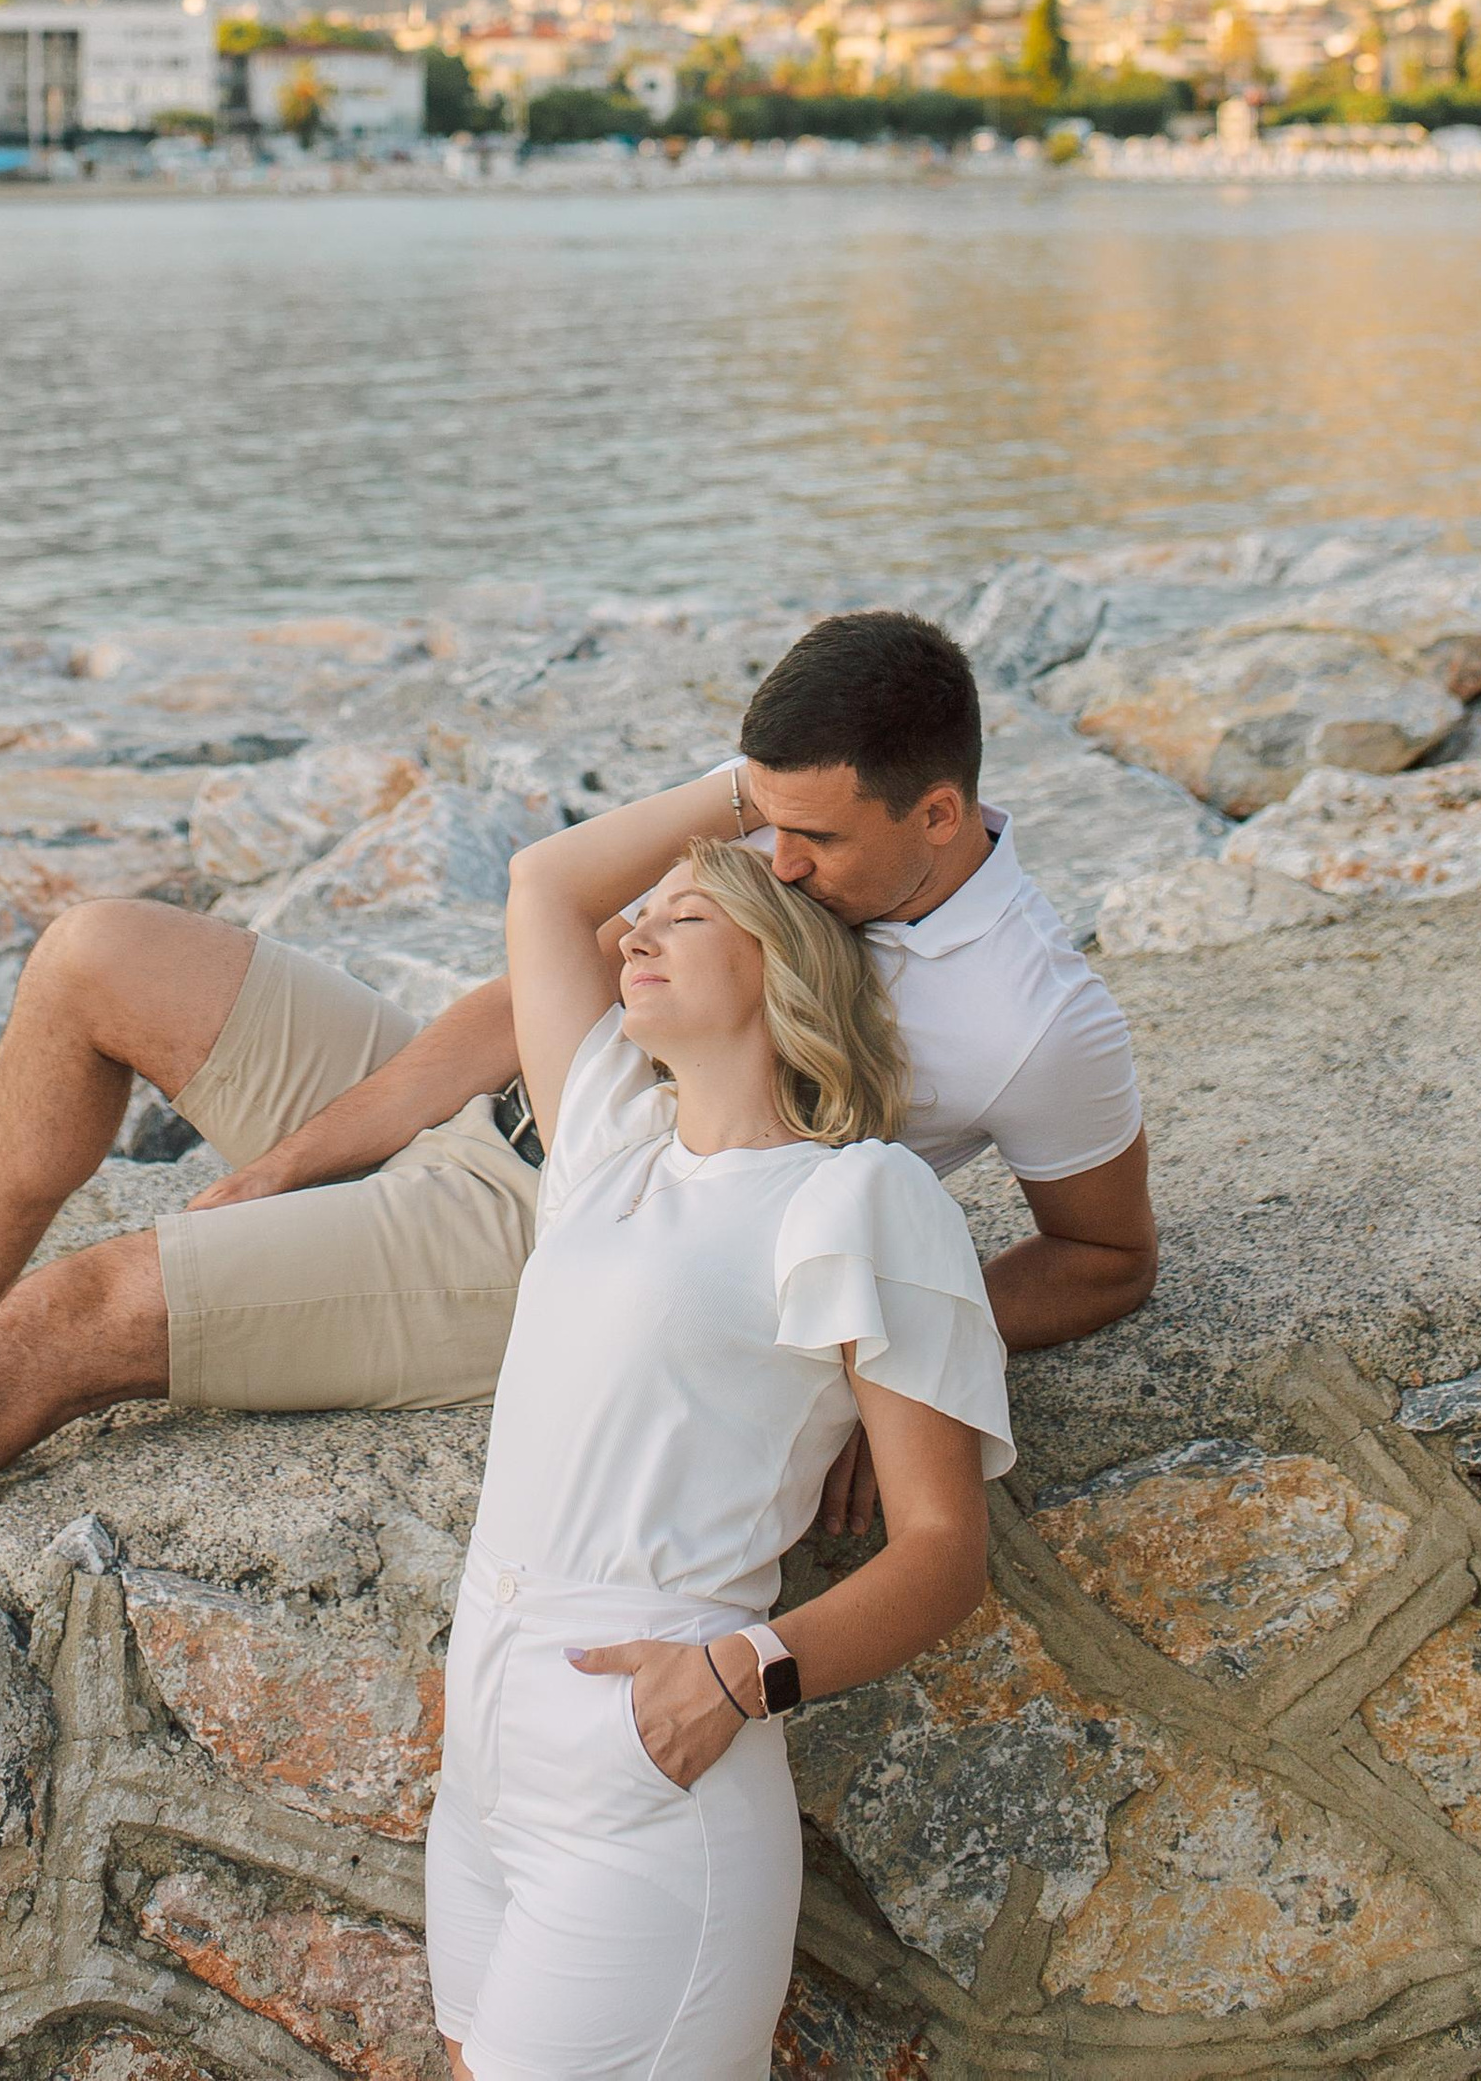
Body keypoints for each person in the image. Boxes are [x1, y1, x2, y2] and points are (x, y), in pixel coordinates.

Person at [0, 612, 1151, 1553]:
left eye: (811, 841)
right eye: (758, 818)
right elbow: (543, 993)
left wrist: (880, 1374)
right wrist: (317, 1148)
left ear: (940, 813)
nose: (779, 860)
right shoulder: (794, 813)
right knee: (93, 951)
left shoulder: (1033, 1018)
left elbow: (1106, 1257)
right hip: (501, 1102)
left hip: (557, 1231)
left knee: (90, 1314)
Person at [425, 797, 1008, 2081]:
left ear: (782, 966)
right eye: (643, 916)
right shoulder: (610, 1152)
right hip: (483, 1757)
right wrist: (756, 789)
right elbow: (545, 883)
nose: (635, 933)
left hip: (648, 1769)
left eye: (685, 918)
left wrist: (745, 1672)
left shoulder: (858, 1196)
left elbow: (941, 1550)